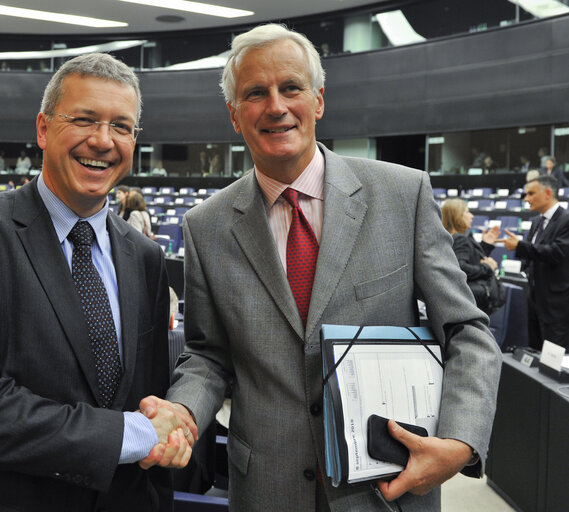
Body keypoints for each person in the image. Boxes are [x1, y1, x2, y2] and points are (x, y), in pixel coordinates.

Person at [142, 24, 501, 511]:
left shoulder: (403, 195)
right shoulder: (206, 226)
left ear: (318, 101)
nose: (276, 106)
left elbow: (467, 331)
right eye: (255, 93)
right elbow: (209, 355)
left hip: (387, 488)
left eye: (291, 87)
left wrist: (459, 441)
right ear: (234, 114)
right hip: (267, 490)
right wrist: (182, 410)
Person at [0, 53, 193, 512]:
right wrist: (132, 434)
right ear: (43, 129)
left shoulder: (145, 256)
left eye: (121, 126)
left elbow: (148, 396)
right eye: (84, 120)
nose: (102, 140)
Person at [498, 175, 569, 349]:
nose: (526, 199)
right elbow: (531, 253)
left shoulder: (566, 219)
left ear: (548, 193)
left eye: (531, 193)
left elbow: (556, 252)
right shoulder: (537, 221)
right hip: (534, 300)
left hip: (556, 305)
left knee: (552, 357)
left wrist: (520, 246)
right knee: (535, 351)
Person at [441, 199, 502, 313]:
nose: (472, 216)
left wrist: (485, 246)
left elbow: (470, 259)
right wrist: (487, 267)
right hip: (469, 302)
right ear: (457, 215)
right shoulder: (460, 239)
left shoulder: (447, 238)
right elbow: (460, 268)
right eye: (467, 212)